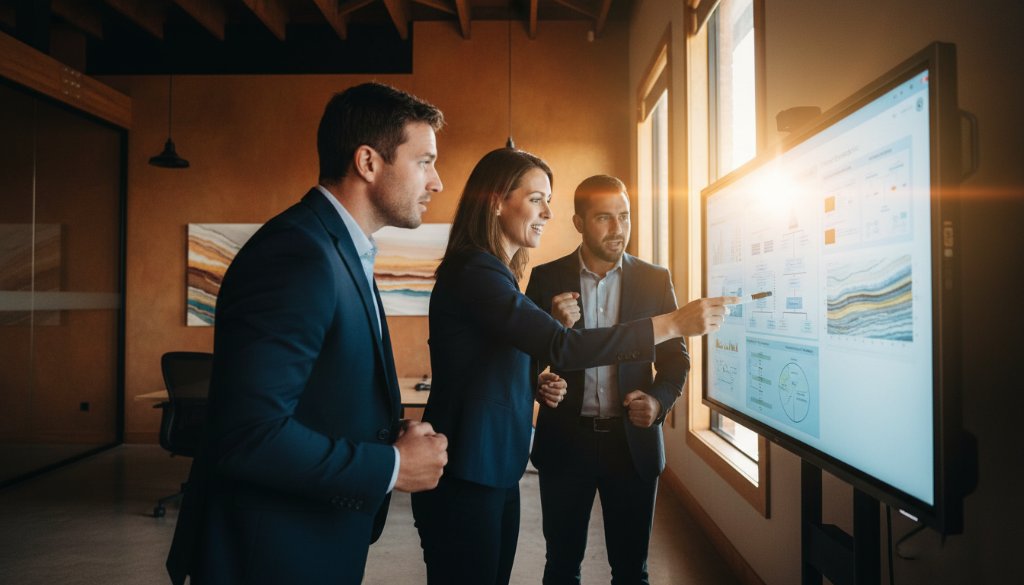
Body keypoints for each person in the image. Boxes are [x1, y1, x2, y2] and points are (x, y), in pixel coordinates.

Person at [166, 82, 450, 585]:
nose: (437, 182)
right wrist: (390, 466)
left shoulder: (336, 247)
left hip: (310, 538)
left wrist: (390, 436)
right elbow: (249, 434)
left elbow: (318, 397)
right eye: (425, 161)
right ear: (368, 162)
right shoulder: (297, 255)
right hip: (270, 554)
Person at [411, 149, 736, 585]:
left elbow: (505, 361)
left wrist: (539, 373)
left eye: (548, 200)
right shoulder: (478, 271)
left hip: (498, 466)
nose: (548, 212)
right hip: (474, 468)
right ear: (496, 202)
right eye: (537, 199)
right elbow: (560, 348)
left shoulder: (497, 271)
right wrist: (673, 322)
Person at [526, 174, 729, 584]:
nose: (618, 229)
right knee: (561, 566)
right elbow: (523, 356)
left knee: (632, 571)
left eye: (625, 216)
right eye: (604, 218)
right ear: (579, 222)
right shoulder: (547, 277)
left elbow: (676, 361)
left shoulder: (655, 279)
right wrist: (539, 382)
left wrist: (658, 402)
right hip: (567, 443)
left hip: (631, 446)